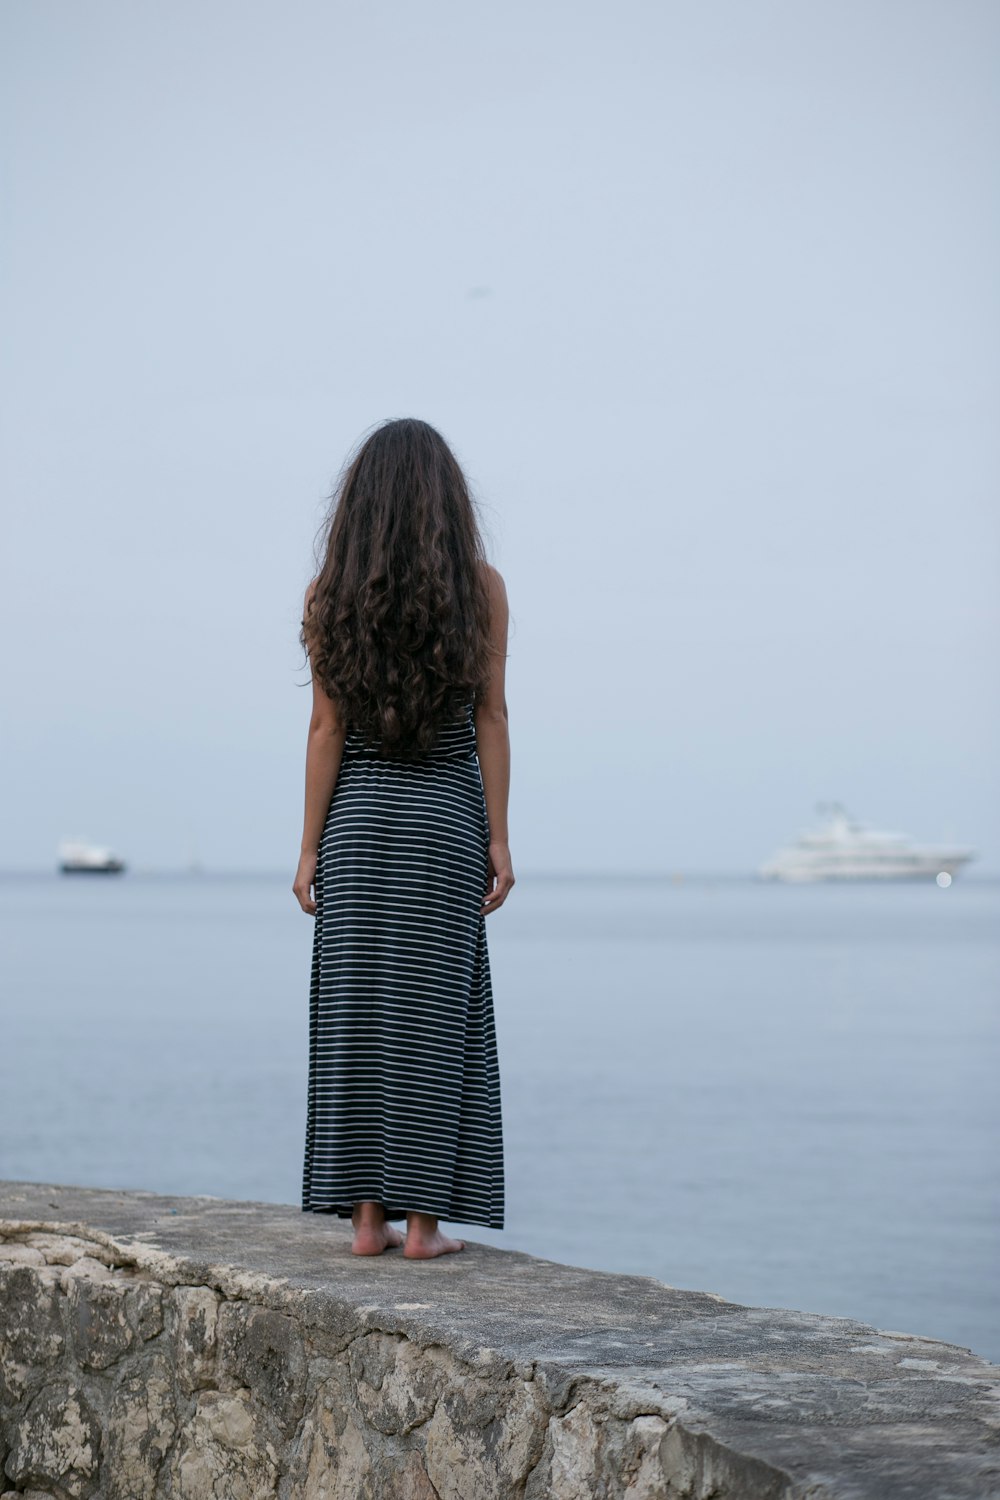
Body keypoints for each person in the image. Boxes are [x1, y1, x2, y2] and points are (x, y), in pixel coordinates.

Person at [293, 417, 513, 1259]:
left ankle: (363, 1222)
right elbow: (490, 716)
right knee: (433, 1017)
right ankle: (424, 1228)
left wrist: (311, 850)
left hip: (358, 825)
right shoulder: (482, 590)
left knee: (357, 1015)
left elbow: (324, 732)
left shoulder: (328, 595)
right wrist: (497, 838)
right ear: (447, 504)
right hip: (446, 820)